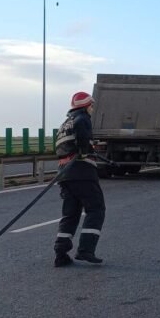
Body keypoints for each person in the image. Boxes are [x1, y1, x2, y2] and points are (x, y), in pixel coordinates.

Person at [53, 92, 106, 267]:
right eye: (92, 105)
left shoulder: (64, 124)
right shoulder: (83, 119)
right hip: (82, 172)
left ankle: (61, 253)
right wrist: (86, 150)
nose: (92, 109)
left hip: (64, 174)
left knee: (70, 214)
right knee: (96, 209)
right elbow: (83, 142)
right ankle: (85, 250)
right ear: (86, 106)